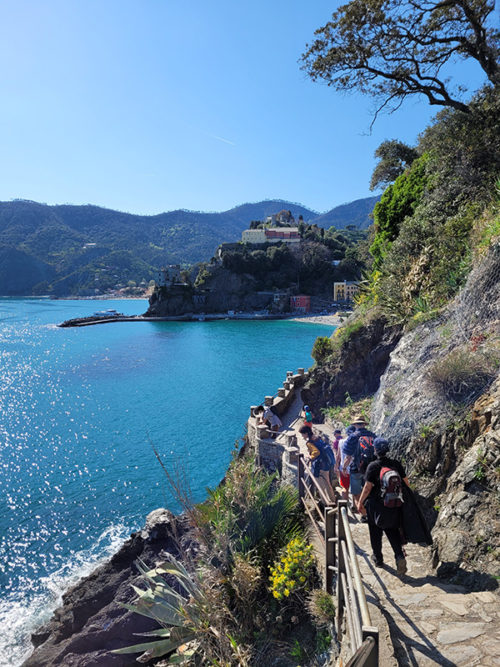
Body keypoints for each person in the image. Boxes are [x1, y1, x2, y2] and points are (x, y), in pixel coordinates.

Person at [356, 437, 409, 576]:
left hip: (375, 505)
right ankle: (399, 556)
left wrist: (360, 502)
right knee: (392, 530)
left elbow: (367, 487)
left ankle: (378, 559)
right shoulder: (396, 464)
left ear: (375, 450)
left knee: (375, 531)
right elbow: (406, 484)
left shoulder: (373, 466)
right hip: (394, 504)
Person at [342, 415, 377, 517]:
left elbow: (348, 457)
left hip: (356, 468)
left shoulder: (353, 437)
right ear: (364, 424)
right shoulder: (373, 435)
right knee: (368, 490)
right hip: (370, 468)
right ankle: (369, 512)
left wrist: (344, 468)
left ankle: (364, 514)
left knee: (357, 492)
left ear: (355, 425)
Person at [298, 425, 336, 503]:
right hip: (326, 464)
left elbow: (316, 452)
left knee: (320, 485)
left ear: (306, 433)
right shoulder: (317, 438)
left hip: (318, 466)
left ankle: (325, 503)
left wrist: (310, 457)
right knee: (328, 483)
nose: (302, 436)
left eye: (302, 434)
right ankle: (333, 500)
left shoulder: (309, 443)